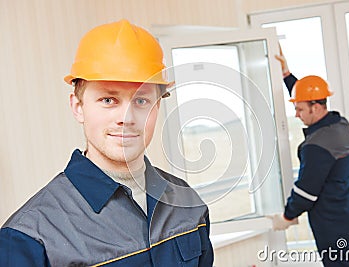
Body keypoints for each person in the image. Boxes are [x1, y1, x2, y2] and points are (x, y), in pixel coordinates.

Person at [0, 19, 214, 266]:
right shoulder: (29, 237)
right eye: (108, 100)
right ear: (78, 107)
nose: (127, 119)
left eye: (141, 101)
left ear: (158, 105)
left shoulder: (186, 202)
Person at [271, 49, 349, 266]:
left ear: (317, 107)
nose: (296, 114)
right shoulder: (340, 124)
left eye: (300, 109)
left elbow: (306, 192)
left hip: (331, 221)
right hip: (347, 212)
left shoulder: (317, 146)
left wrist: (287, 217)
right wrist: (287, 75)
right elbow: (307, 95)